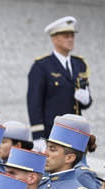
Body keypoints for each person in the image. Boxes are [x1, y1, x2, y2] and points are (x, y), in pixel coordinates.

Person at [27, 16, 91, 148]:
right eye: (66, 36)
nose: (71, 39)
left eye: (72, 35)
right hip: (52, 132)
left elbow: (84, 101)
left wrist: (86, 100)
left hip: (75, 132)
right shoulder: (42, 66)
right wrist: (38, 136)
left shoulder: (80, 64)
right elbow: (34, 102)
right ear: (54, 38)